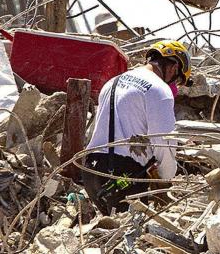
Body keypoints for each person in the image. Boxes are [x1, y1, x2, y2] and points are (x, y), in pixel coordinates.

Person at [82, 40, 192, 214]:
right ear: (174, 67)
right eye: (177, 81)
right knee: (133, 236)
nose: (174, 86)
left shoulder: (113, 81)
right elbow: (164, 143)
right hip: (122, 175)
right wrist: (167, 176)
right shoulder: (159, 90)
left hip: (90, 170)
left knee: (109, 233)